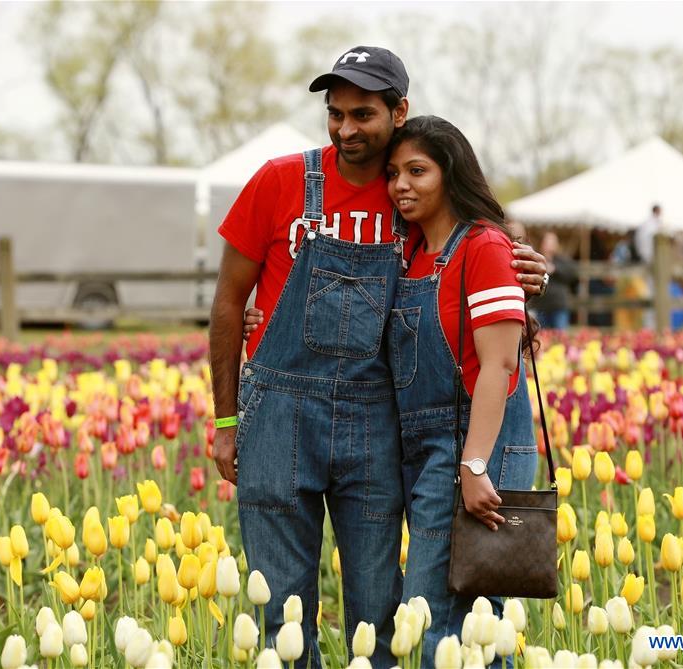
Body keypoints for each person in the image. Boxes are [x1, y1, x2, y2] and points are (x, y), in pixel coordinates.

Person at [209, 46, 549, 667]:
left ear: (399, 111)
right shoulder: (280, 181)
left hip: (377, 421)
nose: (344, 129)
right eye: (334, 114)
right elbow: (229, 303)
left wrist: (526, 267)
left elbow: (481, 263)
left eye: (361, 114)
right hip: (280, 414)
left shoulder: (420, 212)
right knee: (279, 611)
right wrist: (227, 421)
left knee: (388, 613)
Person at [385, 116, 538, 666]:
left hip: (480, 442)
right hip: (428, 448)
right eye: (394, 173)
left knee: (448, 619)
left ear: (450, 174)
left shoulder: (484, 247)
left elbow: (498, 365)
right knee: (454, 617)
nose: (401, 184)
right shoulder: (408, 256)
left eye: (417, 171)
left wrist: (474, 466)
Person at [531, 231, 577, 329]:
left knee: (560, 336)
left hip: (558, 306)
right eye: (548, 242)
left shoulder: (563, 260)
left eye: (553, 242)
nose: (550, 246)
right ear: (542, 243)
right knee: (541, 336)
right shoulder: (536, 258)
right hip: (540, 306)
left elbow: (572, 275)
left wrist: (555, 269)